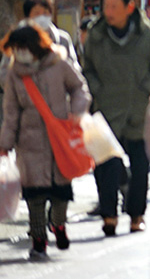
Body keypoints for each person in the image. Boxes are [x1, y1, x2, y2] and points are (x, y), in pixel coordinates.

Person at [82, 0, 150, 237]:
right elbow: (87, 68)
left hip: (138, 109)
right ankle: (108, 215)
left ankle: (136, 215)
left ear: (129, 7)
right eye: (106, 6)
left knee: (140, 166)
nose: (108, 12)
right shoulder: (96, 34)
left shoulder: (147, 33)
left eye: (114, 6)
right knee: (106, 165)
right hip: (106, 107)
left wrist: (145, 89)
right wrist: (97, 90)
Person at [0, 25, 91, 260]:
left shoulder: (59, 64)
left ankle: (58, 223)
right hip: (28, 143)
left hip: (59, 139)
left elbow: (79, 87)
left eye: (21, 48)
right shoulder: (14, 74)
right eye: (15, 49)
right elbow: (11, 112)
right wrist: (5, 144)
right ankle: (38, 240)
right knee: (35, 196)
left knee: (61, 193)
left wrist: (77, 111)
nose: (18, 53)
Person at [19, 0, 78, 68]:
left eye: (45, 13)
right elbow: (6, 70)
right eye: (37, 13)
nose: (41, 17)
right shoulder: (18, 40)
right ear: (28, 17)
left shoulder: (63, 39)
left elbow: (74, 67)